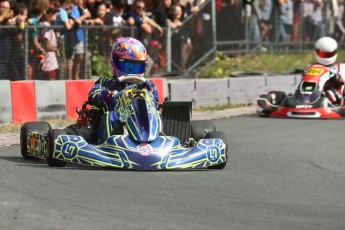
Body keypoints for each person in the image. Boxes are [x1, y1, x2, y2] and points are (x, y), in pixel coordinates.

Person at [88, 37, 159, 144]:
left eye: (136, 67)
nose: (132, 72)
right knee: (110, 116)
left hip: (141, 121)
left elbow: (155, 98)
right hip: (118, 124)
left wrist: (151, 94)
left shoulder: (146, 84)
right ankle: (108, 146)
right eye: (128, 66)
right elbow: (93, 97)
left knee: (157, 114)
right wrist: (106, 94)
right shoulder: (105, 82)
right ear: (115, 62)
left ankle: (160, 142)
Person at [312, 36, 345, 105]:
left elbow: (342, 82)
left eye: (329, 54)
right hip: (315, 91)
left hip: (335, 93)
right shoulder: (312, 67)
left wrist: (334, 76)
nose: (326, 56)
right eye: (323, 54)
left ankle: (334, 103)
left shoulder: (340, 67)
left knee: (330, 91)